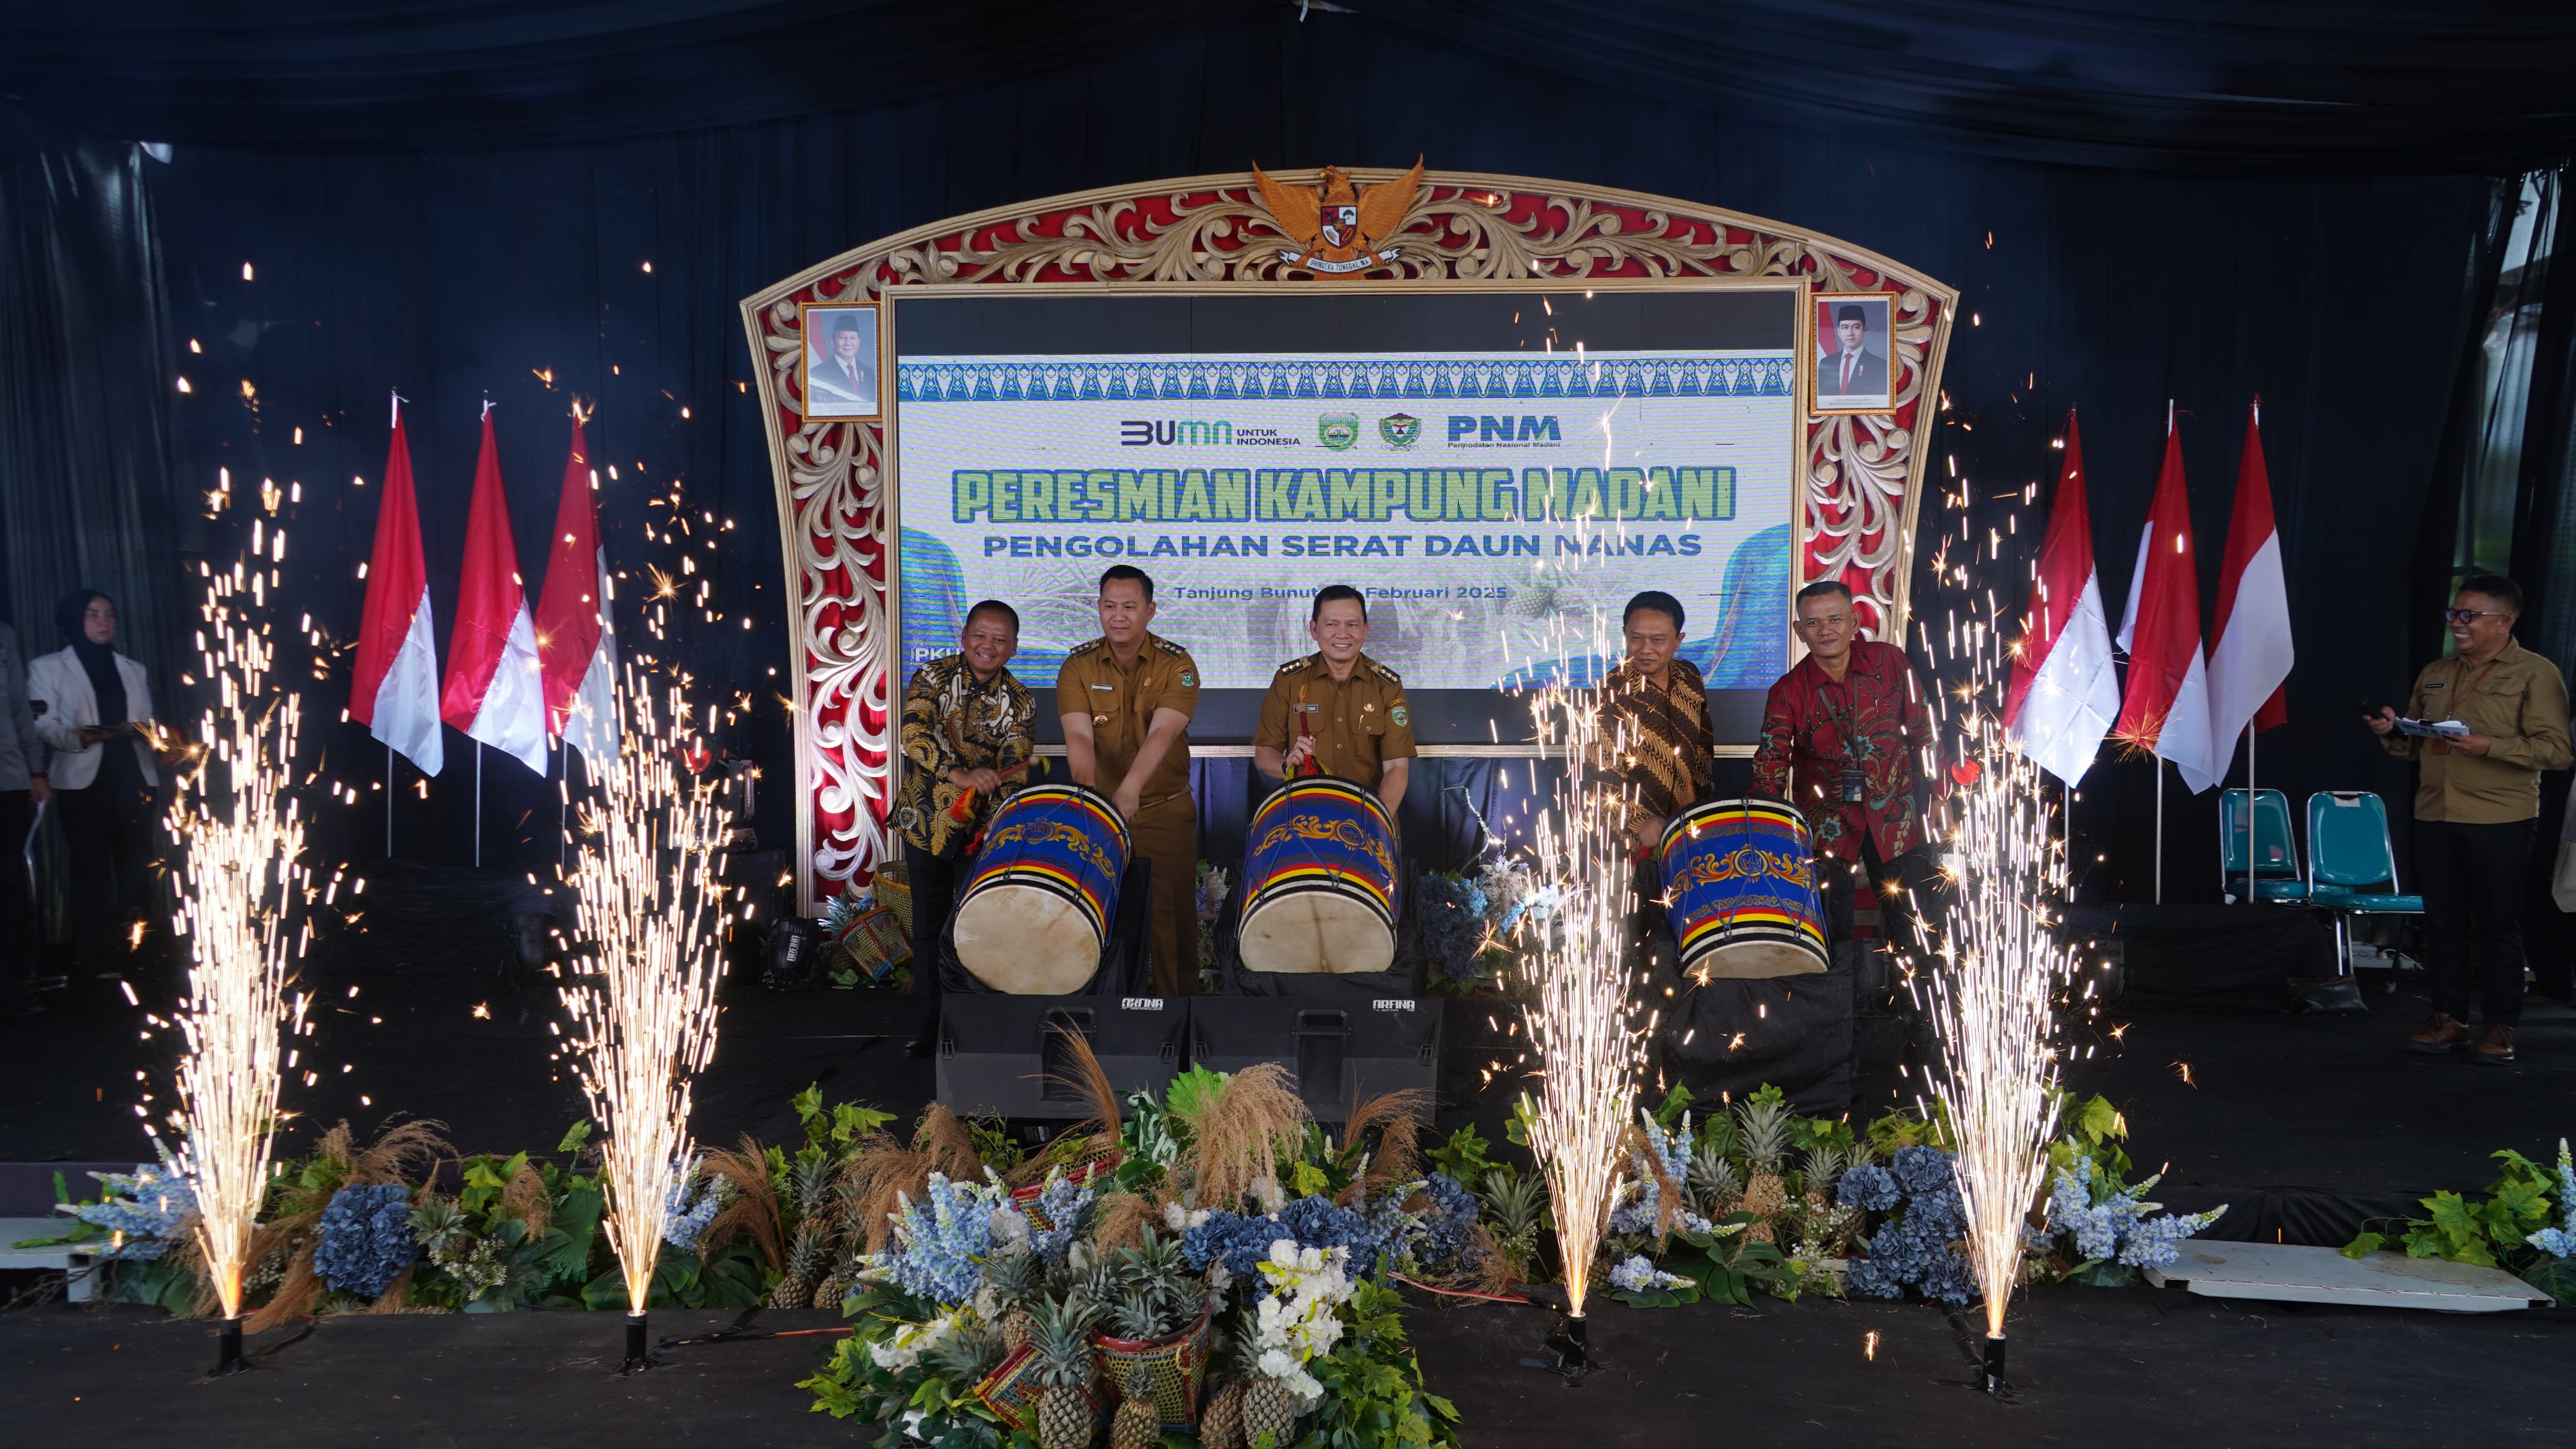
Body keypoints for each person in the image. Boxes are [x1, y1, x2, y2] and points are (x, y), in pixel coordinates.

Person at [2372, 575, 2572, 1065]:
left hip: (2498, 816)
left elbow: (2558, 752)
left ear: (2504, 622)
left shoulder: (2535, 674)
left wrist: (2490, 745)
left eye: (2470, 616)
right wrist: (2391, 729)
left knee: (2497, 926)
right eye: (2454, 614)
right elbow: (2412, 745)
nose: (2458, 625)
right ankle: (2448, 1019)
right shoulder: (2437, 671)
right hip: (2435, 810)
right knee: (2442, 924)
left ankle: (2501, 1026)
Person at [1751, 579, 1941, 960]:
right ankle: (1833, 1010)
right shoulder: (1787, 691)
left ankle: (1913, 1008)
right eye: (1814, 623)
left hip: (1896, 816)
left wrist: (1940, 795)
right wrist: (1766, 832)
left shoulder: (1890, 662)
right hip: (1827, 824)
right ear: (1799, 631)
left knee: (1915, 926)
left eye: (1835, 619)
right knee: (1826, 930)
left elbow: (1924, 732)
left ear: (1855, 622)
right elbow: (1771, 765)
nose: (1826, 631)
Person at [893, 601, 1037, 1055]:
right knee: (928, 927)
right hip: (926, 822)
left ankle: (974, 1027)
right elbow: (914, 735)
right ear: (964, 636)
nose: (988, 646)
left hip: (979, 834)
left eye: (999, 639)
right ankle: (930, 1027)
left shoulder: (1021, 700)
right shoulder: (932, 678)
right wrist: (960, 774)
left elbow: (1016, 762)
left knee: (978, 927)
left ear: (1013, 647)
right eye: (980, 635)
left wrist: (1002, 780)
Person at [1058, 565, 1201, 996]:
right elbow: (1079, 738)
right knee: (1098, 914)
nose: (1118, 616)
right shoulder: (1077, 666)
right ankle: (1107, 1014)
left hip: (1162, 811)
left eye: (1129, 607)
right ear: (1098, 609)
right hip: (1101, 816)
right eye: (1109, 606)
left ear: (1150, 611)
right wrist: (1088, 798)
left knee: (1169, 920)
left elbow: (1163, 734)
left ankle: (1181, 1017)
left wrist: (1131, 787)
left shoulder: (1179, 665)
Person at [27, 590, 162, 977]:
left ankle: (140, 955)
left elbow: (146, 723)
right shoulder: (48, 667)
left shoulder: (133, 668)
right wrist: (83, 736)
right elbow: (43, 725)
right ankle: (98, 960)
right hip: (83, 784)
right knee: (91, 873)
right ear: (73, 622)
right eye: (93, 615)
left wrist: (164, 742)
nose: (104, 621)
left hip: (136, 779)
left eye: (110, 614)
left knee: (136, 869)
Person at [1251, 585, 1414, 816]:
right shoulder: (1289, 681)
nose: (1342, 634)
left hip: (1368, 818)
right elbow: (1264, 755)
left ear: (1366, 630)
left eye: (1352, 624)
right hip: (1306, 821)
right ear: (1314, 630)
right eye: (1331, 624)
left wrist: (1377, 822)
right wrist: (1289, 766)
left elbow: (1397, 767)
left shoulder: (1386, 686)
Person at [1599, 590, 1715, 856]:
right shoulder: (1609, 695)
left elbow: (1703, 749)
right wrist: (1639, 823)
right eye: (1636, 639)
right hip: (1630, 842)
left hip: (1687, 831)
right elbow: (1599, 776)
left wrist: (1702, 809)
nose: (1646, 649)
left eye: (1658, 640)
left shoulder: (1689, 677)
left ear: (1678, 640)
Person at [0, 617, 49, 1012]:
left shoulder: (3, 634)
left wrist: (36, 770)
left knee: (7, 882)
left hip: (7, 776)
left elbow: (18, 705)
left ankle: (11, 985)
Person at [807, 314, 876, 414]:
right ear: (833, 341)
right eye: (843, 338)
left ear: (859, 341)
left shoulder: (868, 371)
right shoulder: (817, 373)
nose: (848, 343)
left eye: (853, 338)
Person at [1817, 302, 1887, 399]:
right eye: (1845, 327)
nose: (1850, 333)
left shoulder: (1880, 365)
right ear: (1839, 332)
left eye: (1856, 327)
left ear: (1865, 331)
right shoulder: (1826, 362)